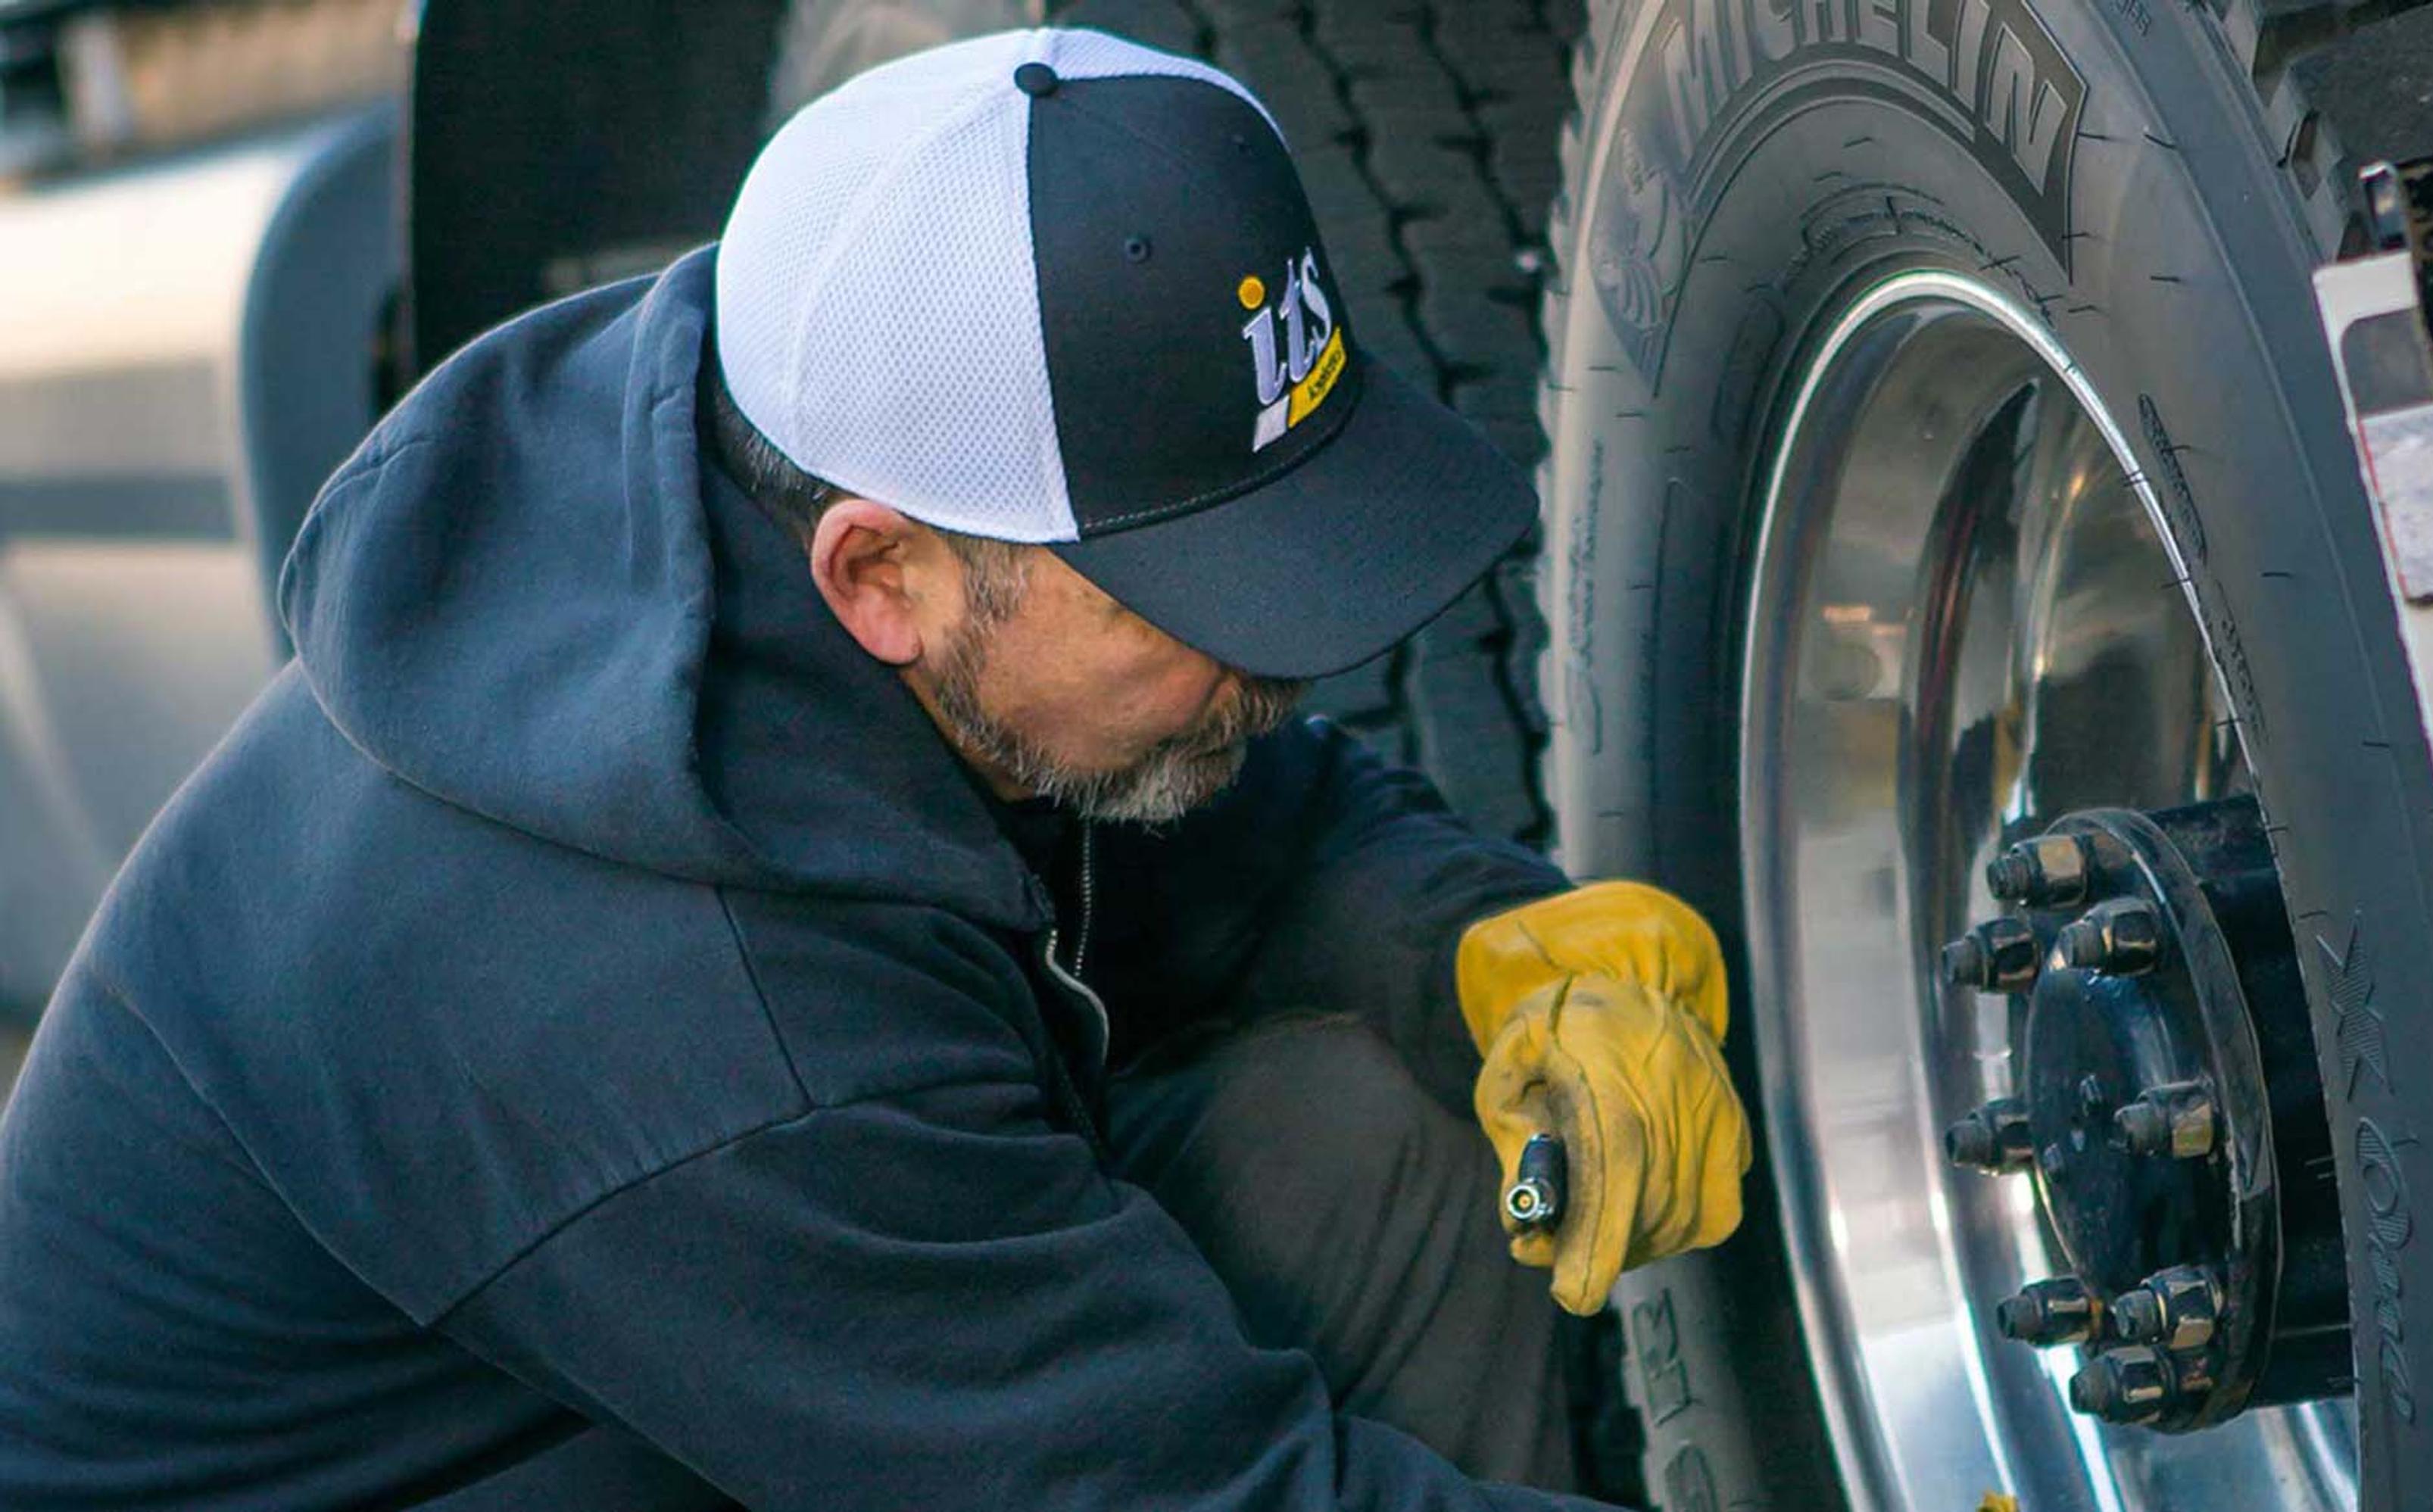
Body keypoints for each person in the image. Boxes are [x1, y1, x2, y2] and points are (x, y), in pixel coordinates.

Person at [0, 28, 1753, 1510]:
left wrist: (1485, 952)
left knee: (1370, 1144)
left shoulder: (769, 482)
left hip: (650, 1412)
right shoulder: (692, 1023)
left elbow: (1248, 832)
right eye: (1191, 594)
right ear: (878, 574)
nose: (1276, 660)